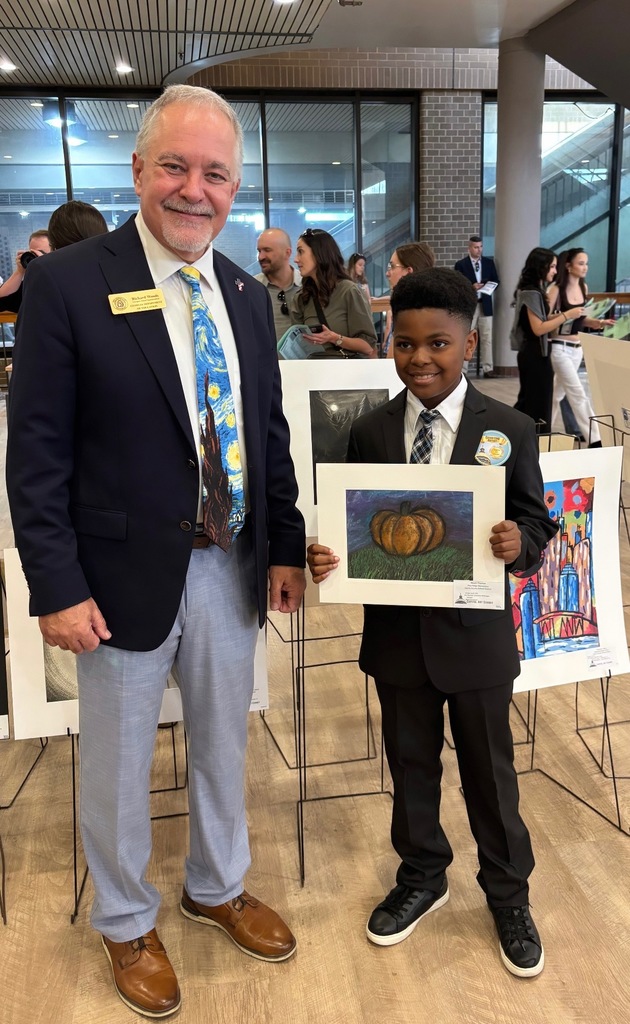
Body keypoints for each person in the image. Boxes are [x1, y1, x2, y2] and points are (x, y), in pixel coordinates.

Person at [6, 84, 306, 1020]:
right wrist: (53, 582)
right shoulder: (68, 283)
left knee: (225, 738)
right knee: (119, 755)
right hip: (118, 571)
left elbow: (267, 430)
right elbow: (38, 448)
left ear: (234, 187)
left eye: (215, 173)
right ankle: (127, 919)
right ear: (138, 171)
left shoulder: (249, 295)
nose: (193, 189)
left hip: (230, 562)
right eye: (174, 166)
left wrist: (286, 544)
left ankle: (215, 886)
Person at [307, 268, 558, 979]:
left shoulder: (507, 429)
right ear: (390, 342)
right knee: (411, 765)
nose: (421, 358)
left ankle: (508, 894)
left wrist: (520, 543)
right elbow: (355, 523)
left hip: (476, 643)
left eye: (439, 344)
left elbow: (537, 519)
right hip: (397, 641)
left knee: (490, 773)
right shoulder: (369, 430)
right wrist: (329, 554)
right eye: (406, 343)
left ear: (469, 344)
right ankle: (423, 875)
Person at [511, 247, 584, 433]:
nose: (555, 271)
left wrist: (565, 316)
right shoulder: (531, 293)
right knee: (536, 405)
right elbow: (538, 328)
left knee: (534, 402)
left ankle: (522, 442)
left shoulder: (535, 291)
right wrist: (566, 315)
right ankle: (529, 444)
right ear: (541, 267)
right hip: (534, 354)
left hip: (537, 353)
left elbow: (541, 321)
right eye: (552, 266)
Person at [547, 248, 614, 447]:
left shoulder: (584, 288)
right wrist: (567, 314)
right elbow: (544, 319)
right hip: (559, 348)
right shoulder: (556, 290)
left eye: (586, 263)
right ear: (568, 266)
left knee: (555, 394)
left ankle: (540, 432)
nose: (585, 267)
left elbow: (582, 320)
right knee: (577, 393)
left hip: (577, 348)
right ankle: (596, 439)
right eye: (581, 263)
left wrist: (599, 323)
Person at [290, 227, 377, 357]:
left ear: (319, 253)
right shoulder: (301, 298)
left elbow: (368, 346)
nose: (296, 259)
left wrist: (334, 338)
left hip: (343, 372)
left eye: (300, 252)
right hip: (310, 372)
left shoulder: (349, 291)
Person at [454, 235, 499, 377]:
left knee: (487, 337)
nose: (479, 250)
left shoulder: (489, 263)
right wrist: (471, 286)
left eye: (480, 247)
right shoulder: (461, 265)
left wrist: (488, 287)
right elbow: (457, 285)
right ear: (469, 248)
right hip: (470, 305)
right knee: (466, 336)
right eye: (476, 247)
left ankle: (488, 368)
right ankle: (463, 370)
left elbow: (496, 281)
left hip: (485, 304)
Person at [384, 242, 435, 357]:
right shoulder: (408, 304)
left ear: (408, 271)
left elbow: (394, 360)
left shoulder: (413, 310)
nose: (387, 273)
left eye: (392, 267)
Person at [254, 227, 302, 340]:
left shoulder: (308, 285)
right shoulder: (252, 288)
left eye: (267, 250)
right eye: (259, 251)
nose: (261, 257)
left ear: (287, 253)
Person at [0, 228, 51, 313]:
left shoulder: (65, 282)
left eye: (41, 253)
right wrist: (19, 272)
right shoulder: (29, 285)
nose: (35, 257)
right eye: (32, 253)